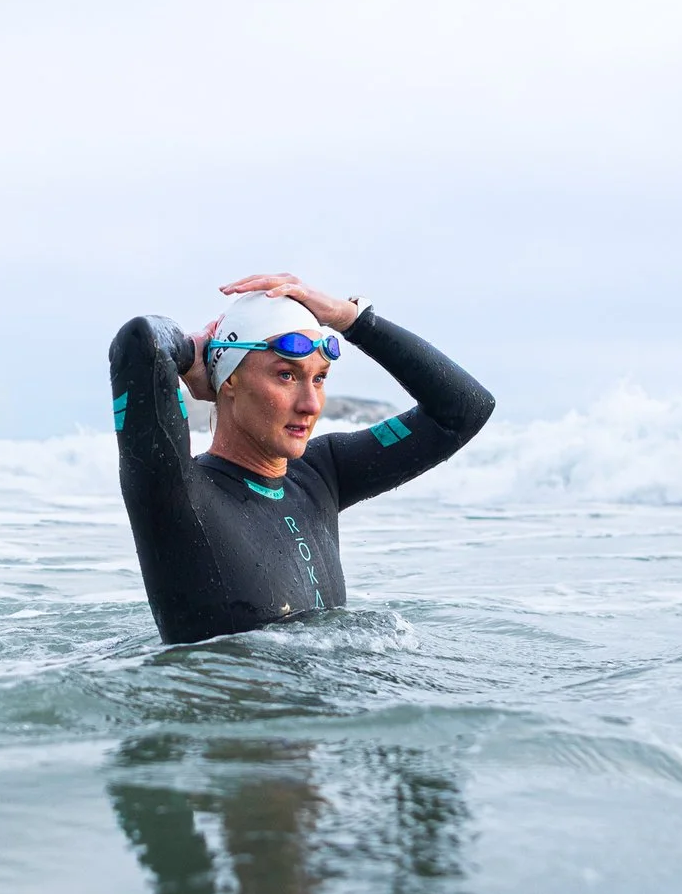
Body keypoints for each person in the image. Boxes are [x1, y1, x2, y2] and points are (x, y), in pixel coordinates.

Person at [106, 273, 494, 644]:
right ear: (230, 382)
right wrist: (194, 353)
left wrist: (353, 319)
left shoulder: (322, 474)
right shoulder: (174, 490)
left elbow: (464, 409)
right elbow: (141, 343)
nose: (310, 405)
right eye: (286, 376)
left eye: (320, 378)